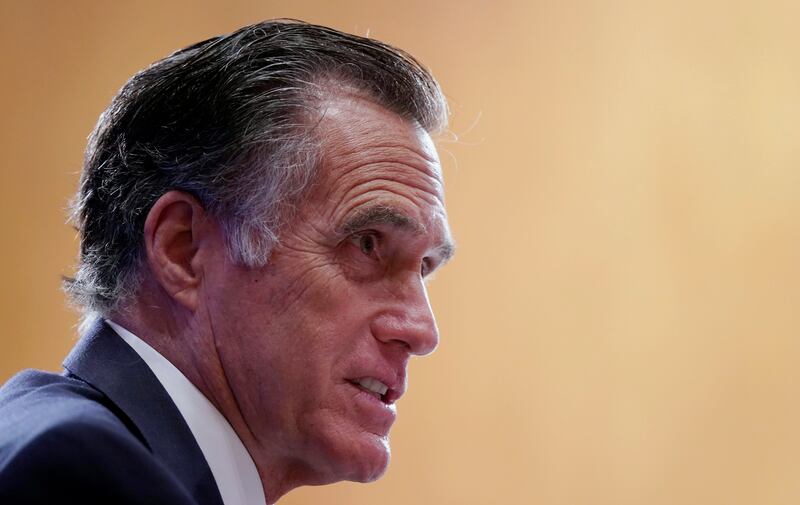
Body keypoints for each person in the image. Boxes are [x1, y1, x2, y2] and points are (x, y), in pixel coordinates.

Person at [0, 19, 454, 504]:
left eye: (424, 267)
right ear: (183, 250)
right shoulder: (79, 473)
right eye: (366, 244)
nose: (422, 331)